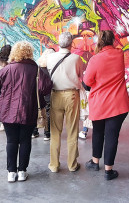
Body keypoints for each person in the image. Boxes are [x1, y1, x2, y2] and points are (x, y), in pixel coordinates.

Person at [0, 41, 52, 183]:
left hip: (7, 112)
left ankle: (11, 173)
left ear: (14, 53)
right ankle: (22, 171)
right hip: (28, 110)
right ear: (29, 53)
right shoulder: (36, 70)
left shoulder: (6, 70)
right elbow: (46, 87)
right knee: (25, 141)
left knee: (11, 141)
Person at [83, 30, 129, 181]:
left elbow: (86, 83)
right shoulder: (119, 55)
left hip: (99, 104)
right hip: (118, 104)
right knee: (112, 136)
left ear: (99, 42)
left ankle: (95, 161)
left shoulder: (95, 60)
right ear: (112, 41)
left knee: (98, 132)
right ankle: (108, 171)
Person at [47, 32, 83, 173]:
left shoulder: (50, 58)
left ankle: (54, 165)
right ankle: (72, 165)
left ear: (58, 43)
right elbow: (80, 75)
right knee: (72, 131)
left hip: (55, 95)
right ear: (71, 44)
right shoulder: (76, 59)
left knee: (55, 132)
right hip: (71, 95)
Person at [32, 48, 55, 140]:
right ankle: (47, 133)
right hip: (49, 92)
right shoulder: (53, 67)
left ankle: (34, 131)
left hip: (39, 92)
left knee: (37, 110)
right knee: (48, 111)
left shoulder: (38, 68)